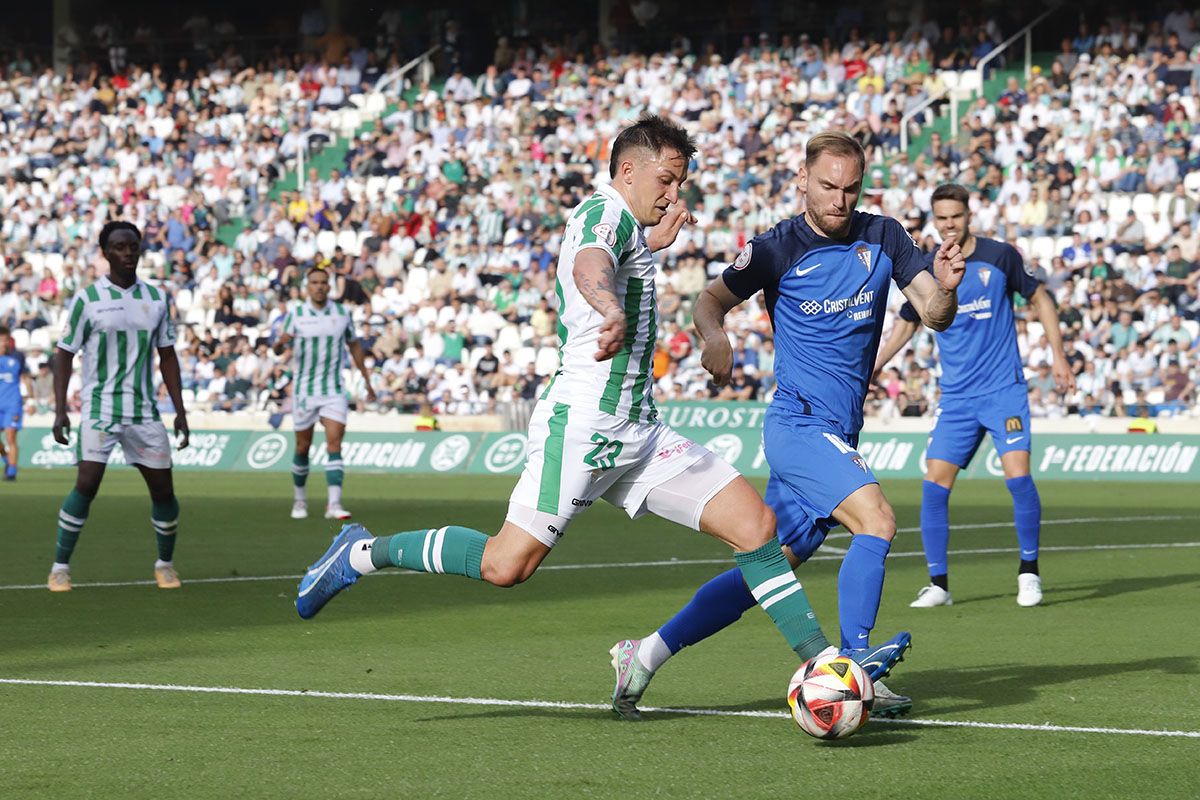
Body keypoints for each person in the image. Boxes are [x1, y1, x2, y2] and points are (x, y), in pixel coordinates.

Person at [294, 116, 867, 715]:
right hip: (585, 426)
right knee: (505, 565)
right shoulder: (603, 214)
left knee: (755, 528)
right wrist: (606, 306)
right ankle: (359, 553)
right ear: (627, 171)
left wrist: (649, 248)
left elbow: (614, 257)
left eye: (682, 182)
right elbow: (590, 263)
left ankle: (820, 663)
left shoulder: (629, 225)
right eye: (667, 180)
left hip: (640, 431)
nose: (675, 194)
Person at [609, 131, 965, 720]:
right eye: (828, 186)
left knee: (767, 568)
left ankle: (644, 655)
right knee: (876, 519)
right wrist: (716, 337)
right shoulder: (776, 247)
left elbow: (933, 313)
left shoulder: (885, 237)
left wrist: (947, 291)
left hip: (837, 433)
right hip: (797, 423)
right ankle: (854, 666)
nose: (840, 199)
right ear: (803, 180)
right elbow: (709, 299)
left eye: (851, 188)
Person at [873, 183, 1075, 609]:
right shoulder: (927, 269)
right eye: (942, 217)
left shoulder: (1000, 256)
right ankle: (939, 585)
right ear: (935, 219)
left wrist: (1058, 357)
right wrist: (877, 364)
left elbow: (1040, 298)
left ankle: (1029, 573)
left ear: (969, 215)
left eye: (956, 216)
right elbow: (908, 322)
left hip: (1004, 390)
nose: (949, 224)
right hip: (957, 398)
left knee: (1018, 477)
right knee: (933, 486)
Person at [48, 221, 190, 592]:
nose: (128, 253)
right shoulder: (87, 299)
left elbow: (168, 356)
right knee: (87, 482)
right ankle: (59, 568)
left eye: (133, 246)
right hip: (99, 409)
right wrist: (60, 409)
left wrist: (180, 410)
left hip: (144, 410)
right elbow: (63, 355)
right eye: (120, 247)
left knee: (163, 491)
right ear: (106, 253)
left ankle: (165, 565)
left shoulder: (157, 299)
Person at [272, 266, 376, 521]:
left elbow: (354, 346)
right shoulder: (295, 314)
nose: (319, 286)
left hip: (333, 389)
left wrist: (366, 380)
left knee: (335, 442)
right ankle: (299, 500)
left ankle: (334, 504)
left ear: (329, 286)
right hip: (304, 390)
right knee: (302, 446)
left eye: (323, 282)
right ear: (307, 287)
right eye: (314, 282)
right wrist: (279, 342)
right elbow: (276, 348)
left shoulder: (342, 313)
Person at [0, 325, 32, 480]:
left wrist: (31, 399)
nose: (4, 343)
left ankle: (11, 472)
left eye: (5, 340)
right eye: (1, 340)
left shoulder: (17, 357)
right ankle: (7, 459)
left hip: (12, 404)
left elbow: (25, 378)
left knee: (11, 436)